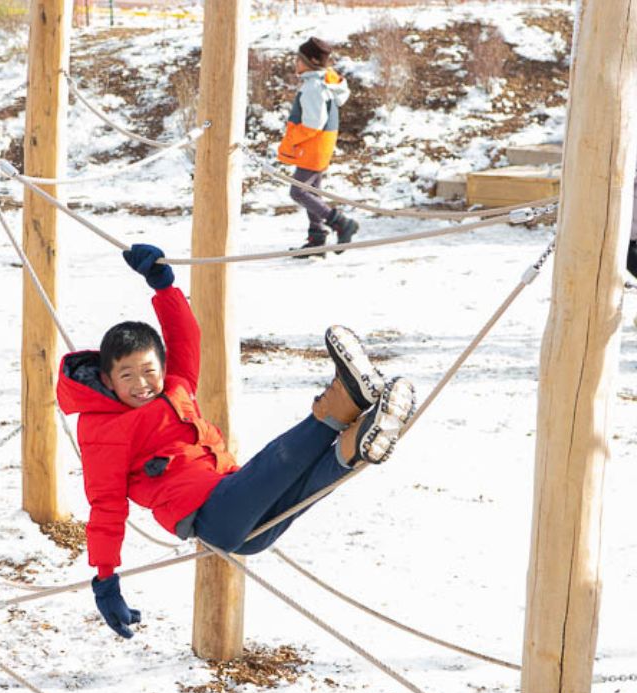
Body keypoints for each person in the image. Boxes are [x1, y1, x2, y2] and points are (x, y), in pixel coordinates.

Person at [56, 244, 415, 639]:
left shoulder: (176, 386)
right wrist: (106, 579)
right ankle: (339, 405)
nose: (142, 384)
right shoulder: (102, 429)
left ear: (162, 367)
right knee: (278, 462)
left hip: (240, 512)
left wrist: (164, 288)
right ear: (107, 380)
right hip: (211, 514)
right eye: (127, 376)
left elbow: (186, 338)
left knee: (307, 486)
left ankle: (356, 442)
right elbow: (105, 505)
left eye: (149, 371)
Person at [277, 36, 358, 258]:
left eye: (299, 59)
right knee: (313, 192)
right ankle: (317, 238)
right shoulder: (323, 83)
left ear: (310, 62)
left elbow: (313, 123)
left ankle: (340, 223)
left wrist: (292, 138)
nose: (296, 63)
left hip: (312, 147)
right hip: (320, 146)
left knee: (298, 191)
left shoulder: (313, 87)